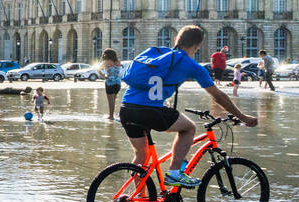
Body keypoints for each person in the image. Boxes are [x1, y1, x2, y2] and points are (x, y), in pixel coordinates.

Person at [118, 25, 258, 188]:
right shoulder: (192, 66)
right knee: (189, 128)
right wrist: (243, 117)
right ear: (197, 46)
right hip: (149, 110)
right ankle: (175, 173)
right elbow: (218, 96)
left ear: (177, 40)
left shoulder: (159, 53)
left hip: (126, 108)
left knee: (141, 156)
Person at [101, 48, 122, 121]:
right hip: (118, 83)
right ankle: (113, 114)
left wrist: (104, 75)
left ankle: (111, 116)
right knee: (114, 100)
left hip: (110, 82)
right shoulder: (118, 61)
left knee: (110, 101)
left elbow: (97, 69)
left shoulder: (106, 62)